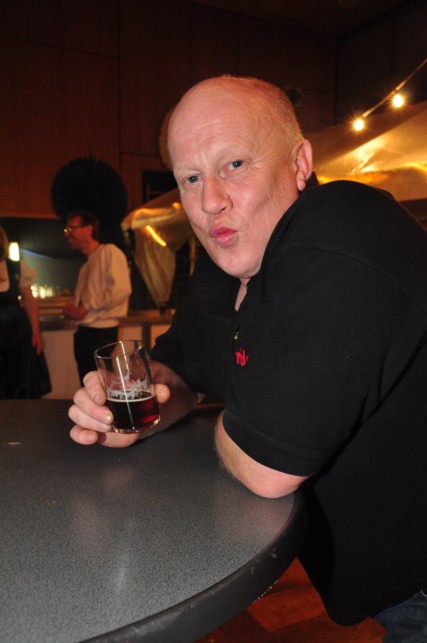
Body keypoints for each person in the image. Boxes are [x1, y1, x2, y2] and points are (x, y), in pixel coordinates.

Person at [67, 76, 427, 640]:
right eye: (190, 178)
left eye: (234, 164)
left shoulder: (346, 228)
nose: (210, 200)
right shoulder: (223, 268)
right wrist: (134, 409)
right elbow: (178, 369)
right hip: (385, 581)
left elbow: (266, 468)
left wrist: (227, 424)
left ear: (300, 164)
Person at [63, 211, 132, 383]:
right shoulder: (85, 266)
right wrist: (72, 308)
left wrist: (86, 306)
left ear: (89, 229)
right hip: (85, 332)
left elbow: (121, 289)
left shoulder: (109, 252)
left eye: (71, 228)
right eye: (67, 229)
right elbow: (83, 301)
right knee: (89, 385)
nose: (67, 234)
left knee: (98, 387)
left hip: (101, 333)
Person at [0, 225, 46, 398]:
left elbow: (29, 302)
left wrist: (36, 333)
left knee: (19, 381)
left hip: (17, 334)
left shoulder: (16, 267)